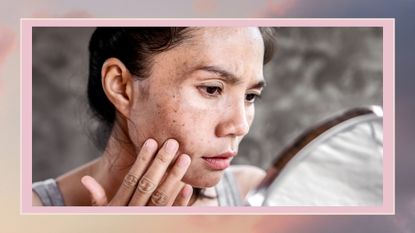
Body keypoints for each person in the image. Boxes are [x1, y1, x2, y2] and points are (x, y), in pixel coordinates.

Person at [32, 27, 276, 206]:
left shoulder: (256, 196)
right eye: (211, 89)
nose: (240, 126)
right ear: (121, 87)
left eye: (250, 96)